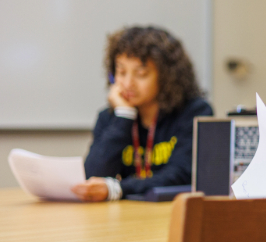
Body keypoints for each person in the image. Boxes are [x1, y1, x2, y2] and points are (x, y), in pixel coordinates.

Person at [72, 26, 212, 201]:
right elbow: (92, 177)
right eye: (121, 72)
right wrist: (124, 116)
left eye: (141, 74)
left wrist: (119, 188)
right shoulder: (111, 117)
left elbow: (181, 175)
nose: (128, 83)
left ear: (166, 77)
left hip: (171, 209)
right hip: (125, 212)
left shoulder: (194, 112)